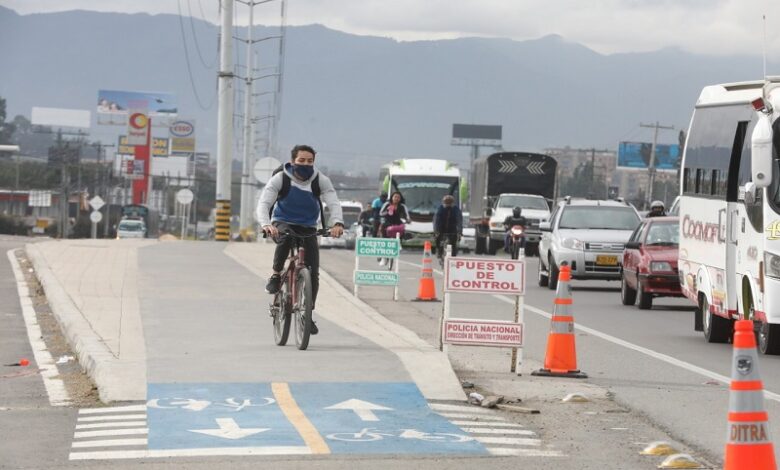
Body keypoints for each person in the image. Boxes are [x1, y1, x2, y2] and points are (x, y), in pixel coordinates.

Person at [256, 144, 344, 335]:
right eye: (301, 160)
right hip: (282, 222)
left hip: (308, 226)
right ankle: (276, 275)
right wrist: (266, 225)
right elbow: (264, 203)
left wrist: (337, 223)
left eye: (310, 161)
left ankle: (307, 314)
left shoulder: (320, 180)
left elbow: (333, 201)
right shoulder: (281, 179)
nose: (306, 164)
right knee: (285, 239)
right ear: (292, 161)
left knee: (313, 273)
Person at [378, 191, 410, 265]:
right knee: (384, 235)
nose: (396, 198)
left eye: (398, 197)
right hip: (387, 223)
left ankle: (399, 244)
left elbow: (407, 216)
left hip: (398, 223)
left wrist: (408, 220)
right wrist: (387, 211)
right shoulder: (387, 204)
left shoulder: (402, 206)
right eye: (395, 197)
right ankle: (384, 257)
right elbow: (381, 213)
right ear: (392, 197)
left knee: (402, 230)